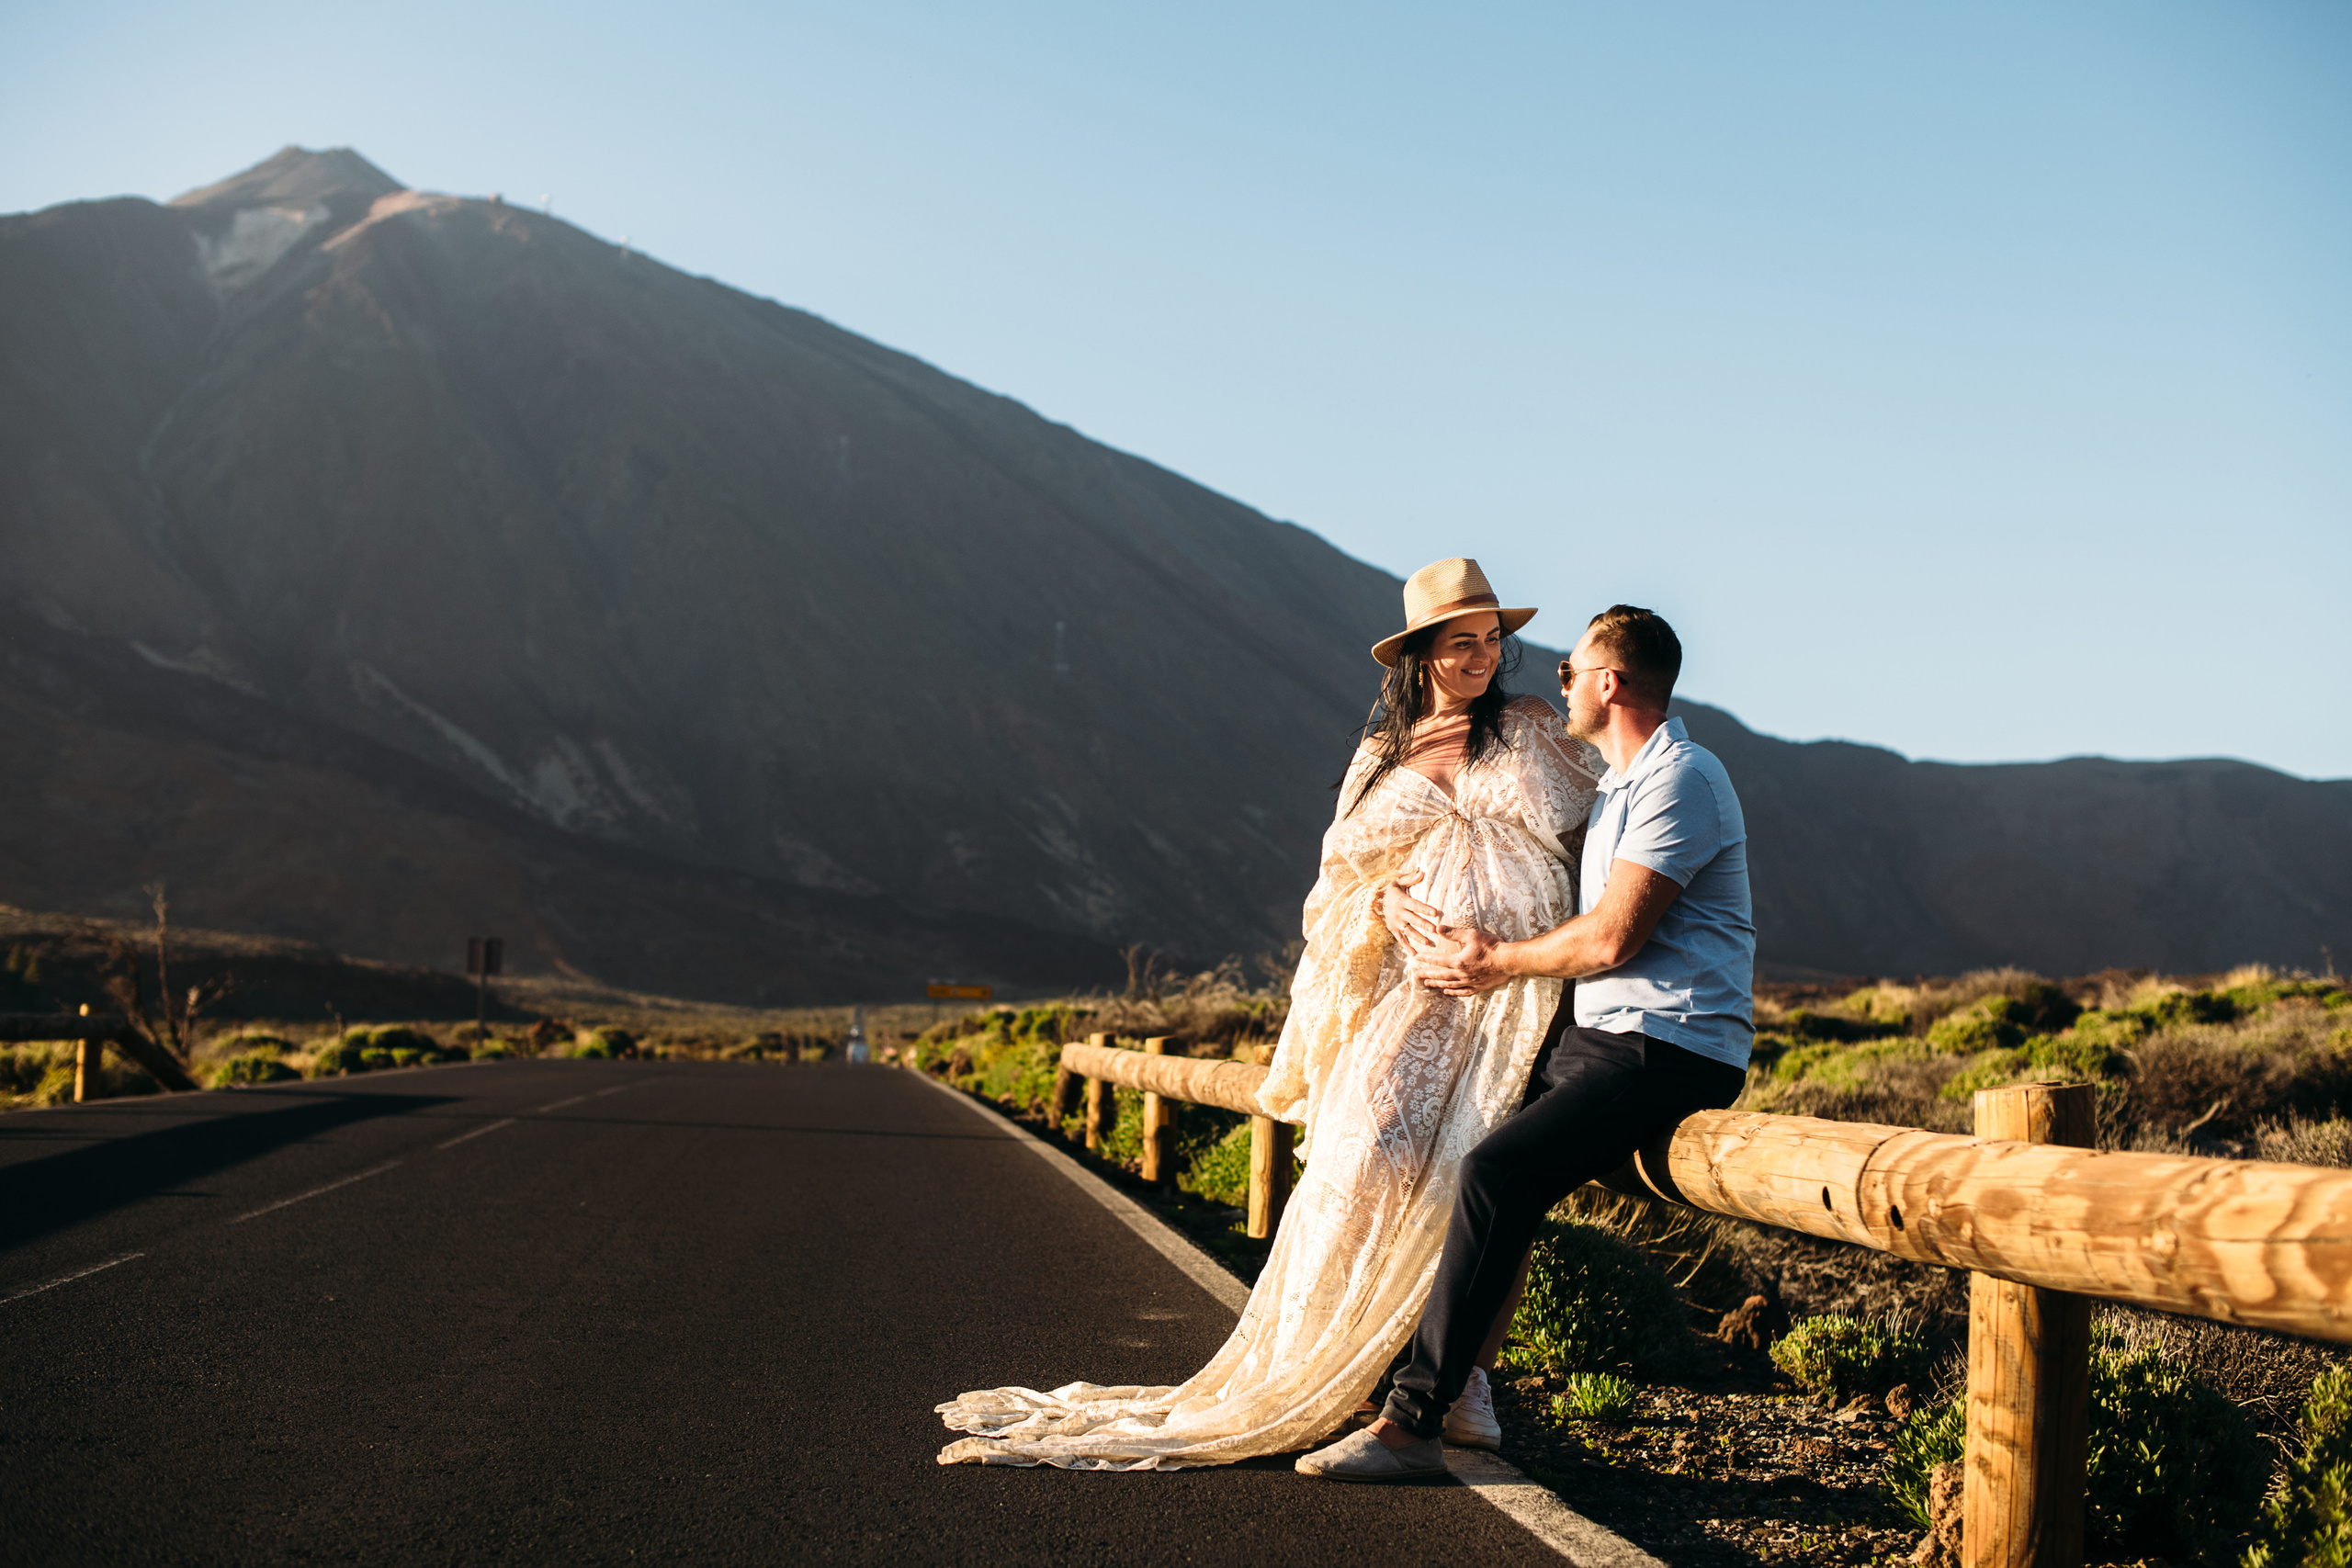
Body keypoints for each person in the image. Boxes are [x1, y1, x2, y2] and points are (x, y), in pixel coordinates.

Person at [935, 558, 1602, 1469]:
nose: (1484, 657)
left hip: (1519, 992)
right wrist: (1385, 910)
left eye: (1492, 640)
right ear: (1418, 655)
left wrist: (1564, 962)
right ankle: (1342, 1357)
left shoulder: (1528, 729)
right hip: (1414, 997)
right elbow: (1335, 890)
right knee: (1368, 1150)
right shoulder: (1381, 757)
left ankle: (1466, 1381)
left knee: (1483, 1177)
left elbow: (1596, 844)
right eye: (1462, 643)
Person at [1296, 603, 1756, 1481]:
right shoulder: (1620, 784)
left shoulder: (1681, 780)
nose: (1557, 678)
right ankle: (1462, 1392)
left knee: (1495, 1172)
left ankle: (1413, 1422)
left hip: (1670, 1042)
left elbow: (1612, 938)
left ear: (1610, 683)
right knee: (1476, 1150)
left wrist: (1491, 961)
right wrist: (1395, 897)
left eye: (1572, 669)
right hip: (1603, 1034)